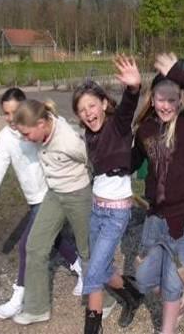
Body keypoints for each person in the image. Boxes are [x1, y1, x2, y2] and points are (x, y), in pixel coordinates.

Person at [0, 88, 81, 320]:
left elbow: (70, 145)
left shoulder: (43, 125)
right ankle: (82, 269)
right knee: (53, 238)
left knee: (27, 244)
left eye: (14, 112)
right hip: (34, 198)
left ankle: (19, 299)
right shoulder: (5, 138)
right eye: (6, 113)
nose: (11, 118)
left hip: (53, 194)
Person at [131, 53, 184, 334]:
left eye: (172, 99)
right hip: (155, 216)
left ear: (180, 100)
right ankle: (178, 296)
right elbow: (130, 162)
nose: (166, 105)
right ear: (152, 99)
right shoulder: (145, 129)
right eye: (160, 99)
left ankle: (167, 327)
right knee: (144, 279)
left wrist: (178, 73)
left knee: (171, 279)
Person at [72, 55, 143, 334]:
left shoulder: (117, 126)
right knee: (99, 268)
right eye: (82, 110)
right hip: (96, 209)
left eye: (92, 105)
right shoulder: (89, 136)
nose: (88, 113)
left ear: (103, 103)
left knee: (93, 272)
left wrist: (134, 88)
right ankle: (133, 295)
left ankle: (93, 328)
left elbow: (127, 108)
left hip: (116, 213)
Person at [11, 99, 92, 325]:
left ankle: (103, 301)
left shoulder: (69, 141)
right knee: (35, 246)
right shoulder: (39, 129)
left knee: (88, 250)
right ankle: (37, 309)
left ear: (40, 124)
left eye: (27, 134)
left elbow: (92, 160)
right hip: (55, 194)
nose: (25, 140)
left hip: (78, 194)